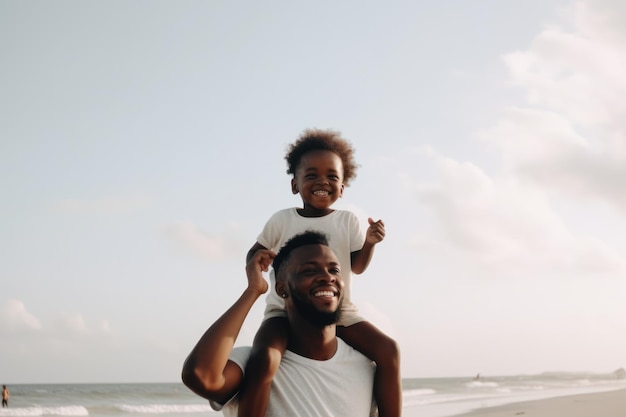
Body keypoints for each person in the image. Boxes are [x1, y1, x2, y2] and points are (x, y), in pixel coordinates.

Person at [239, 129, 401, 417]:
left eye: (332, 176)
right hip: (283, 312)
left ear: (342, 188)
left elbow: (358, 267)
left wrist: (370, 243)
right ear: (294, 184)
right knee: (264, 358)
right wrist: (258, 263)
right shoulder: (282, 220)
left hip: (338, 312)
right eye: (311, 175)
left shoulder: (347, 220)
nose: (322, 181)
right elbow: (254, 252)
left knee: (388, 351)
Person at [182, 231, 377, 416]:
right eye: (309, 270)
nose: (328, 277)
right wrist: (253, 290)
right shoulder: (254, 363)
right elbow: (200, 375)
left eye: (334, 269)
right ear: (282, 288)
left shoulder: (365, 366)